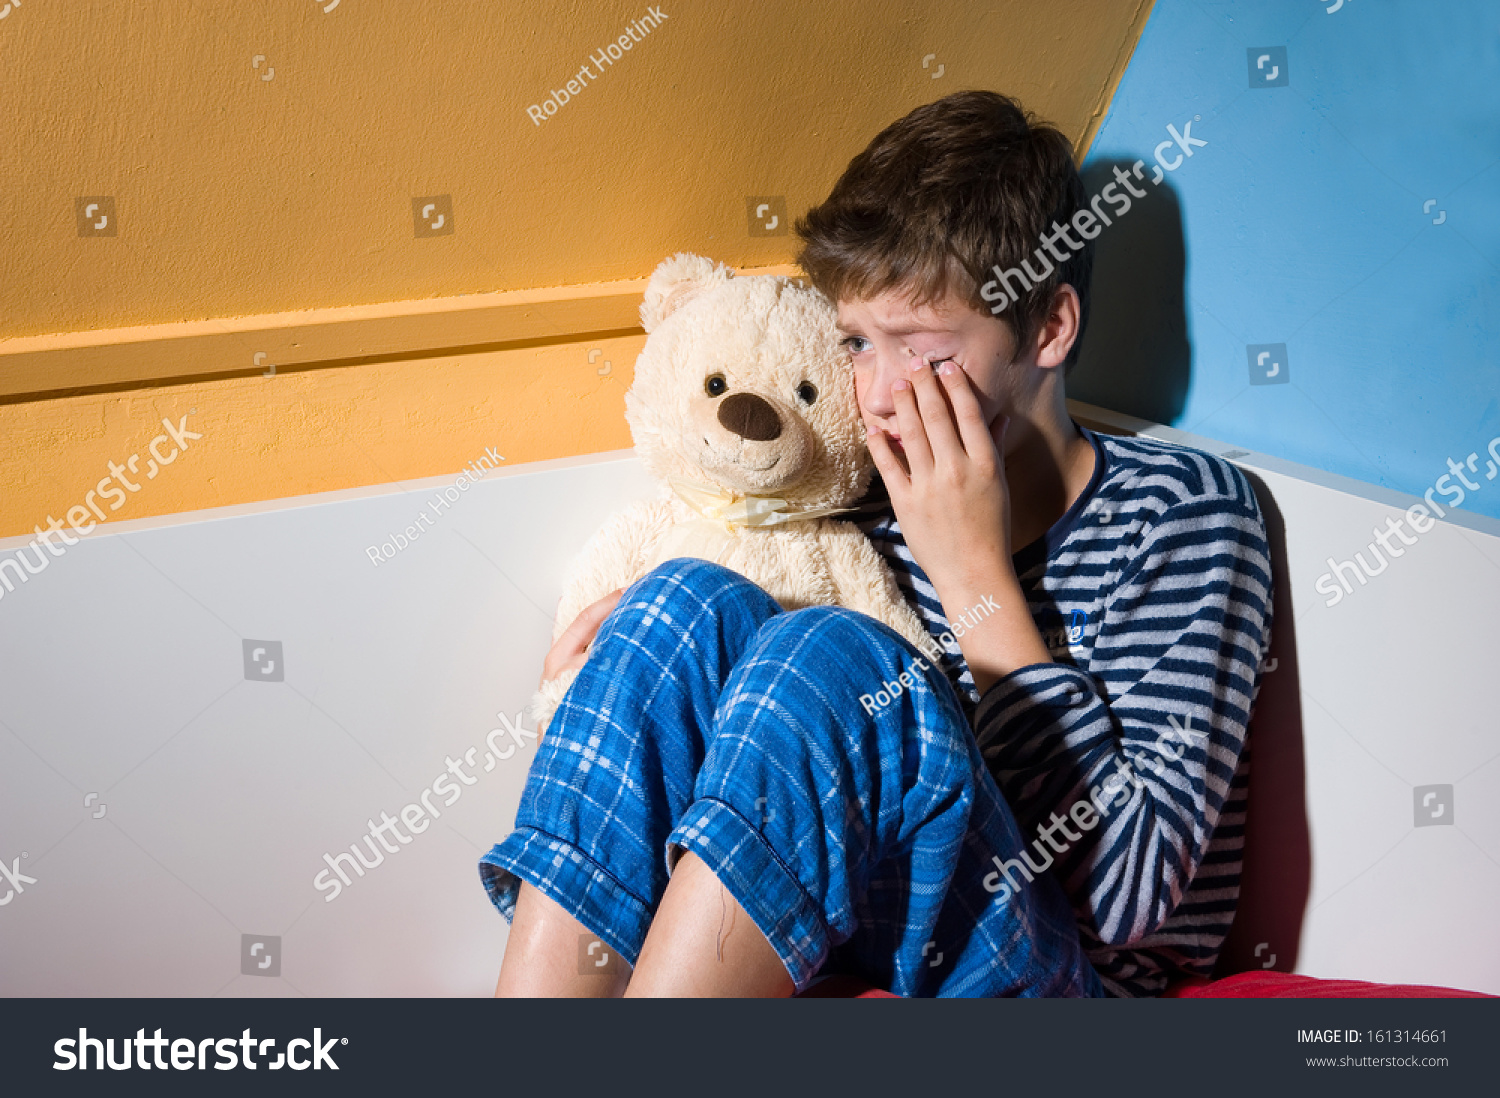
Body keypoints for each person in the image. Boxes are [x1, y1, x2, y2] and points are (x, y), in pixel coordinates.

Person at [478, 90, 1273, 998]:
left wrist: (970, 571)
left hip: (1070, 979)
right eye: (856, 341)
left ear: (1047, 328)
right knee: (678, 600)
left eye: (923, 348)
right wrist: (603, 680)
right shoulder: (857, 491)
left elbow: (1128, 897)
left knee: (835, 651)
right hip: (854, 933)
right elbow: (766, 780)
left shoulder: (1182, 513)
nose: (882, 393)